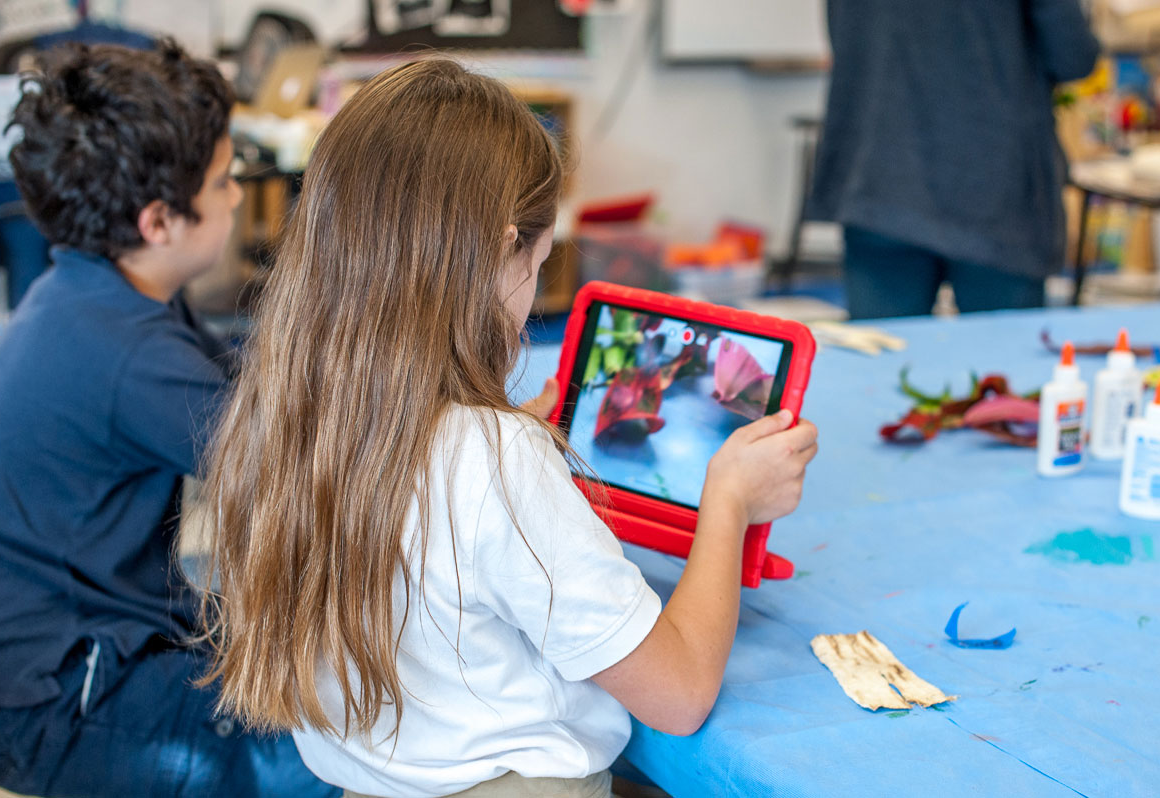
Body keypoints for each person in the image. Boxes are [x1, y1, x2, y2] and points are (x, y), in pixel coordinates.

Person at [196, 59, 819, 798]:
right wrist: (729, 504)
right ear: (499, 249)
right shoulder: (492, 462)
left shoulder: (282, 408)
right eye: (537, 261)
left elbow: (421, 491)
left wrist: (497, 447)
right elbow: (679, 695)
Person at [0, 41, 338, 797]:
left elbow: (251, 393)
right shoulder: (127, 353)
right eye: (221, 181)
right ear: (158, 221)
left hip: (55, 646)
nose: (239, 194)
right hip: (52, 700)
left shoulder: (94, 287)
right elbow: (299, 473)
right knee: (330, 755)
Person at [809, 0, 1100, 319]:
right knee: (1000, 362)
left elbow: (845, 37)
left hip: (877, 176)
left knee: (887, 357)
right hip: (993, 187)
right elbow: (1073, 57)